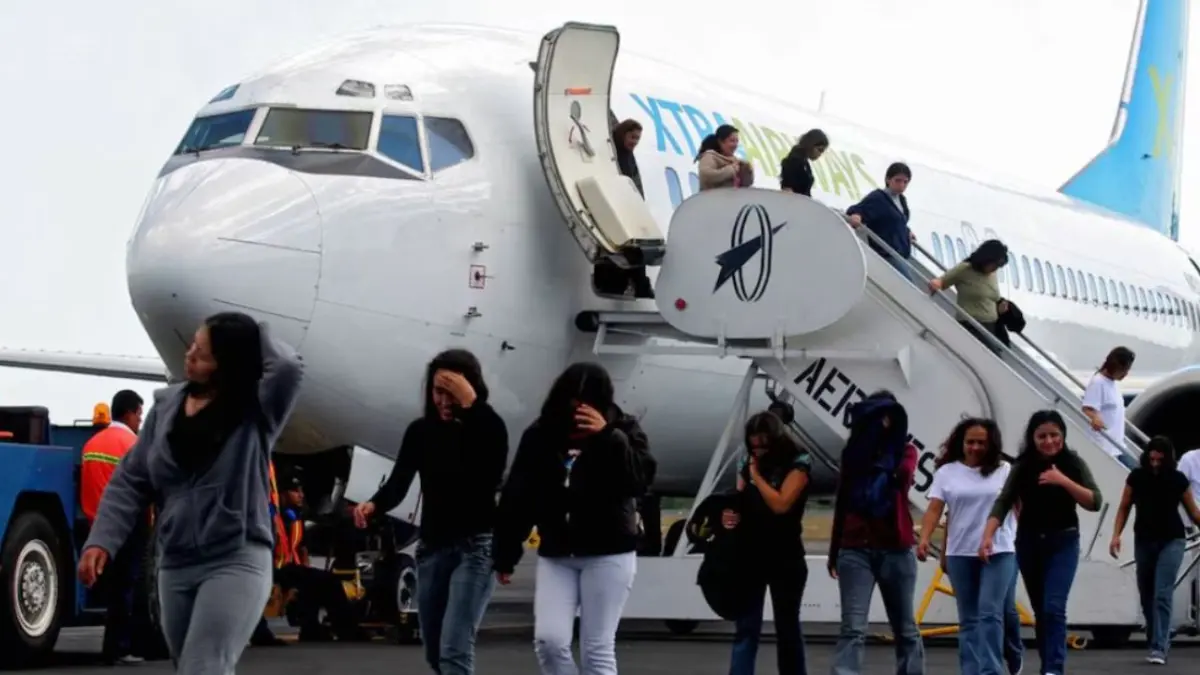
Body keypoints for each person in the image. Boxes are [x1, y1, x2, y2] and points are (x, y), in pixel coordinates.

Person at [78, 312, 303, 675]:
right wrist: (101, 541)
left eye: (202, 352)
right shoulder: (164, 409)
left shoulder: (256, 411)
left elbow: (289, 368)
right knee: (188, 667)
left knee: (205, 668)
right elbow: (131, 480)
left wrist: (252, 331)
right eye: (192, 346)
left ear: (225, 363)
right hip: (176, 563)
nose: (190, 355)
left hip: (235, 558)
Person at [351, 349, 508, 675]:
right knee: (436, 652)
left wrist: (473, 407)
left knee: (455, 651)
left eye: (453, 391)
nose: (444, 400)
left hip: (476, 548)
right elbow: (399, 482)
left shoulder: (488, 428)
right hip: (433, 548)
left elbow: (491, 473)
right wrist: (374, 504)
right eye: (438, 391)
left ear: (471, 389)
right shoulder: (421, 431)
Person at [493, 362, 656, 675]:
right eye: (572, 403)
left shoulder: (623, 430)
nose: (578, 411)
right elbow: (518, 496)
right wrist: (506, 552)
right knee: (549, 641)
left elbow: (639, 481)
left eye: (587, 405)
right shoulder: (540, 435)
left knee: (597, 649)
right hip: (558, 551)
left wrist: (608, 436)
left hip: (609, 552)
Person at [982, 410, 1103, 675]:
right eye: (1042, 436)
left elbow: (1094, 501)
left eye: (1054, 435)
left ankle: (1054, 669)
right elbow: (1004, 501)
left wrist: (1063, 481)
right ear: (1033, 438)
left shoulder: (1073, 463)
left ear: (1063, 436)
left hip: (1064, 541)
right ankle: (1047, 665)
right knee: (1041, 611)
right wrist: (988, 534)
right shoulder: (1023, 466)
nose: (1049, 441)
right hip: (1029, 543)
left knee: (1053, 607)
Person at [828, 390, 925, 675]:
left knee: (905, 627)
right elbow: (842, 502)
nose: (883, 422)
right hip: (855, 547)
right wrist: (835, 551)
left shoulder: (904, 451)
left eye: (887, 416)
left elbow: (905, 476)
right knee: (853, 628)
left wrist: (886, 445)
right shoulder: (853, 455)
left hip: (895, 547)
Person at [917, 418, 1017, 675]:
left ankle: (991, 670)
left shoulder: (1005, 470)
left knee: (990, 612)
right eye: (970, 442)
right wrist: (925, 538)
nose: (975, 447)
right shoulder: (947, 472)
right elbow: (935, 509)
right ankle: (971, 670)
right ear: (961, 443)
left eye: (981, 442)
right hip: (960, 552)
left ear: (991, 444)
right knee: (969, 618)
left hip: (999, 549)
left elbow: (1019, 508)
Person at [720, 411, 812, 675]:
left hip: (786, 557)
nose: (758, 449)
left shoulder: (798, 463)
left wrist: (755, 476)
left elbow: (781, 504)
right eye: (753, 444)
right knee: (746, 628)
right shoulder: (747, 462)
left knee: (787, 629)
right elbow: (738, 500)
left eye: (763, 444)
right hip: (750, 555)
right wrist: (728, 514)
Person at [1109, 436, 1200, 665]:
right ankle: (1156, 633)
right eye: (1152, 459)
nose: (1156, 463)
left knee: (1162, 591)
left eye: (1160, 459)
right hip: (1144, 540)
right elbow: (1124, 507)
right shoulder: (1137, 477)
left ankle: (1159, 646)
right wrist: (1116, 535)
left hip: (1173, 540)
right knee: (1146, 591)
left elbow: (1194, 513)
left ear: (1167, 458)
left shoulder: (1178, 480)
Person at [80, 389, 151, 665]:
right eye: (139, 415)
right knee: (126, 587)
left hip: (97, 526)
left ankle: (113, 647)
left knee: (111, 589)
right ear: (130, 413)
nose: (140, 422)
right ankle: (119, 648)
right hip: (128, 526)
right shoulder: (132, 444)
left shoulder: (92, 444)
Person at [928, 240, 1010, 351]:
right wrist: (936, 284)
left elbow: (989, 298)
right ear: (986, 258)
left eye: (999, 266)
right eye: (995, 264)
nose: (996, 269)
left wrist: (1000, 308)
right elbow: (942, 281)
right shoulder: (965, 269)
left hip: (991, 327)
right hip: (971, 326)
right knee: (991, 360)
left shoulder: (992, 274)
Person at [846, 162, 917, 281]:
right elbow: (858, 209)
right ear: (888, 179)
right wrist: (856, 215)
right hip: (887, 252)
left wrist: (907, 231)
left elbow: (897, 220)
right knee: (910, 284)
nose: (901, 185)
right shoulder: (879, 198)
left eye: (905, 182)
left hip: (900, 253)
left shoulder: (901, 200)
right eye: (898, 180)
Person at [1082, 346, 1137, 469]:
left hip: (1118, 446)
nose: (1126, 374)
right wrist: (1095, 417)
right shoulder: (1098, 382)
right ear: (1115, 366)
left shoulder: (1112, 384)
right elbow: (1087, 408)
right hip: (1107, 447)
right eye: (1124, 370)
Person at [697, 124, 754, 190]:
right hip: (712, 199)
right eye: (732, 141)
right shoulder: (710, 157)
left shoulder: (735, 161)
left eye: (737, 141)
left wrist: (746, 171)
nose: (735, 145)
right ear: (721, 141)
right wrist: (731, 170)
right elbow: (706, 175)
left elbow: (746, 185)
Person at [779, 129, 829, 197]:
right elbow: (787, 188)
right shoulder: (794, 161)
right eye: (819, 150)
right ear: (811, 145)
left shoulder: (804, 162)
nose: (820, 154)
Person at [612, 118, 644, 197]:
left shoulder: (629, 157)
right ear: (623, 134)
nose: (635, 142)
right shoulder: (610, 148)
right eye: (632, 137)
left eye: (637, 139)